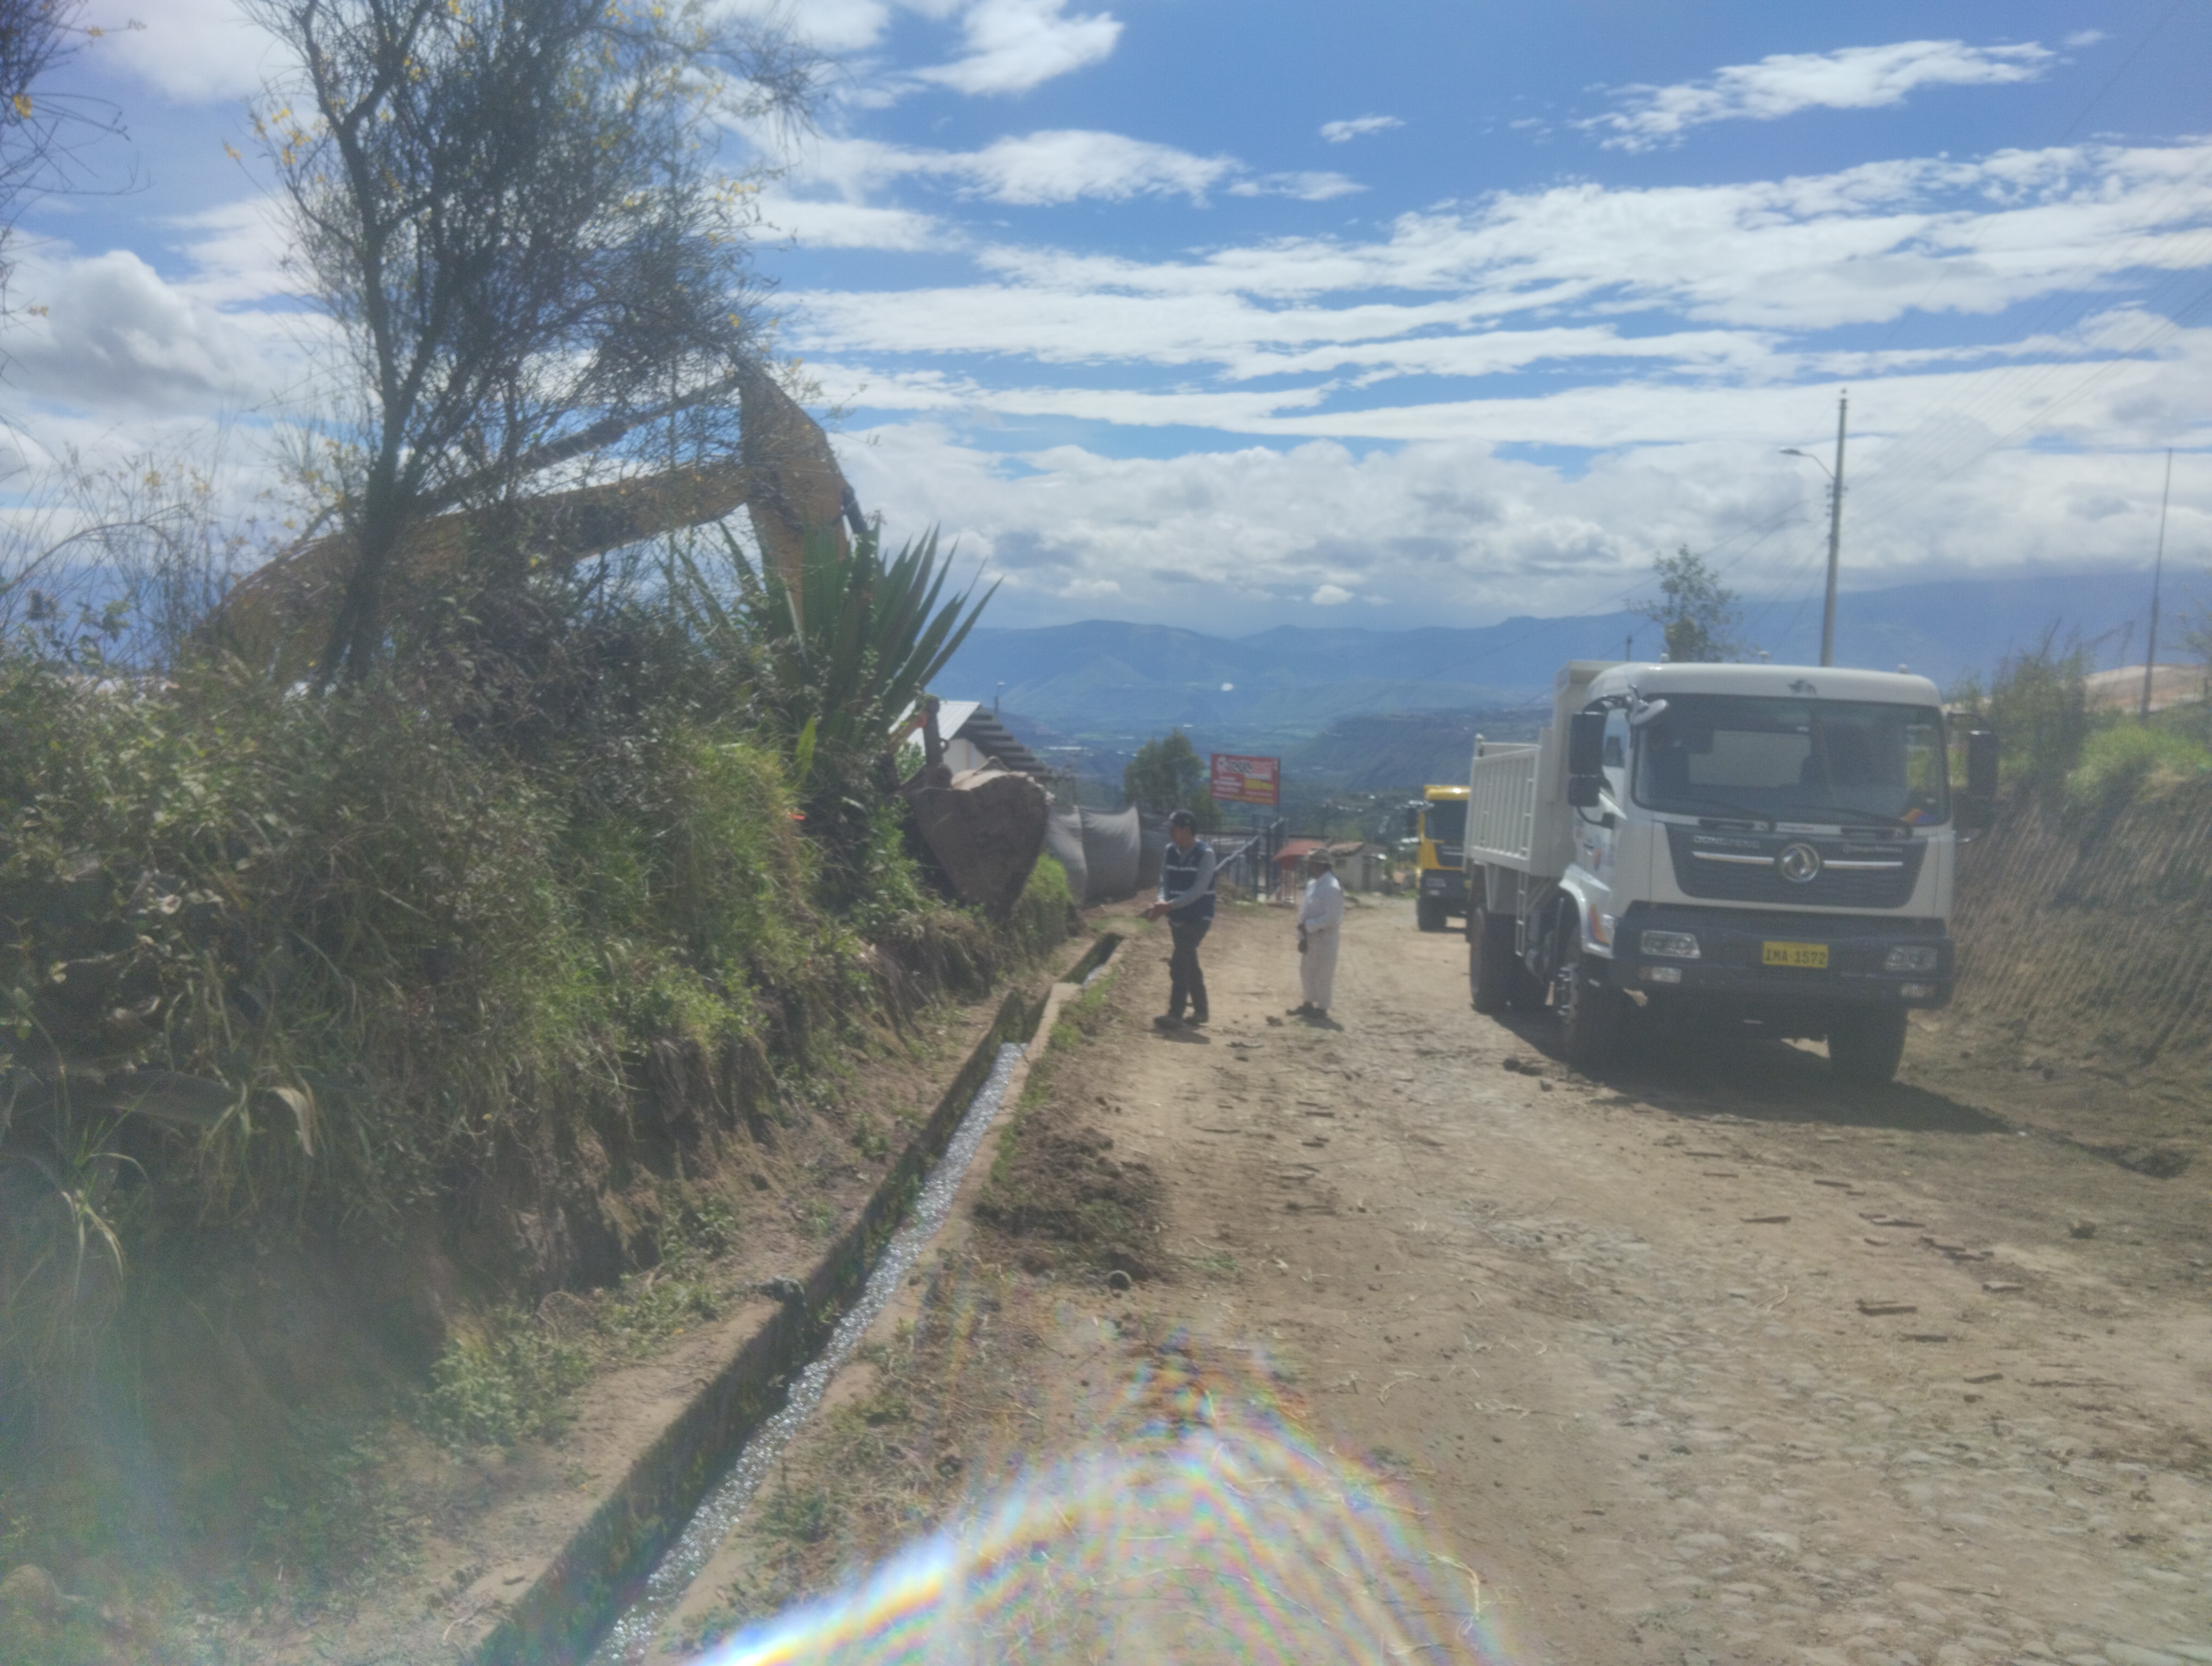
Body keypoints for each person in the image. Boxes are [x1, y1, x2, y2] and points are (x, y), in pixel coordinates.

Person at [1144, 809, 1215, 1028]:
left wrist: (1169, 906)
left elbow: (1198, 891)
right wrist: (1161, 902)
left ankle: (1175, 1014)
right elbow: (1164, 881)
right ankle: (1201, 1011)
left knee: (1179, 963)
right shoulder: (1170, 851)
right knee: (1189, 962)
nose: (1170, 833)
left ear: (1186, 830)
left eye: (1173, 829)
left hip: (1198, 918)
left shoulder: (1205, 854)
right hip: (1176, 917)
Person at [1293, 850, 1344, 1016]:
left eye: (1311, 864)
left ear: (1320, 865)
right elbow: (1304, 911)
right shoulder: (1312, 884)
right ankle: (1308, 1004)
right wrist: (1302, 936)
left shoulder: (1332, 887)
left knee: (1323, 973)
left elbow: (1333, 918)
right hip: (1310, 937)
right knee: (1306, 971)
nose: (1308, 867)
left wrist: (1309, 926)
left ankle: (1322, 1009)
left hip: (1325, 938)